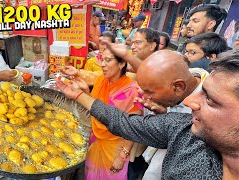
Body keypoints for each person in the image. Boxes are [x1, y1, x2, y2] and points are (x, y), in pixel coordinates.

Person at [56, 50, 239, 179]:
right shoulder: (182, 127)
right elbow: (123, 122)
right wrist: (79, 95)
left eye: (210, 100)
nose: (189, 102)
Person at [132, 50, 208, 180]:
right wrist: (165, 115)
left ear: (178, 87)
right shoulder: (181, 78)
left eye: (149, 91)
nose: (144, 96)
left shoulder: (207, 108)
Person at [81, 48, 142, 179]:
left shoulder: (132, 92)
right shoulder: (100, 80)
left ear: (121, 64)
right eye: (102, 59)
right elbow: (95, 107)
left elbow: (133, 127)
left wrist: (122, 155)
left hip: (115, 148)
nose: (102, 64)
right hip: (95, 140)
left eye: (108, 60)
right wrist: (85, 91)